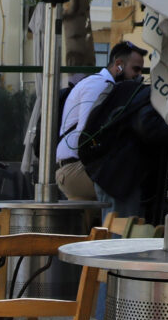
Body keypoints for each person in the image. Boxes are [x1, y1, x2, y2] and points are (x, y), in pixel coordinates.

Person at [76, 72, 168, 222]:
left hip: (108, 172)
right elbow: (146, 126)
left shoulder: (140, 94)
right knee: (121, 235)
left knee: (114, 229)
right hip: (122, 177)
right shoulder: (156, 99)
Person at [54, 41, 146, 202]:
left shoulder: (104, 85)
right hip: (75, 169)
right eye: (135, 69)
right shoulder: (100, 85)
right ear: (119, 65)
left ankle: (110, 225)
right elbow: (87, 136)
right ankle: (118, 227)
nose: (138, 76)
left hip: (75, 167)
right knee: (125, 186)